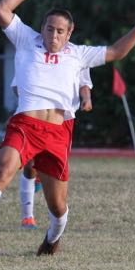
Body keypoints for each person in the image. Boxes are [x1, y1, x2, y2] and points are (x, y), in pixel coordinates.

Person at [0, 0, 135, 256]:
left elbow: (117, 51)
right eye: (49, 29)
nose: (54, 36)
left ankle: (51, 238)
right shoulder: (26, 39)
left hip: (58, 133)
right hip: (25, 124)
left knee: (57, 207)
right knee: (3, 170)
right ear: (42, 29)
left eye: (60, 31)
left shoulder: (78, 54)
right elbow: (1, 10)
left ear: (69, 33)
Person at [19, 68, 93, 230]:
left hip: (64, 120)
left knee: (57, 171)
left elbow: (84, 83)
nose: (55, 40)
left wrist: (86, 99)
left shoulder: (77, 54)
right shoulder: (35, 51)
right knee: (30, 164)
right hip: (36, 116)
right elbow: (17, 85)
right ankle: (27, 217)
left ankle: (42, 177)